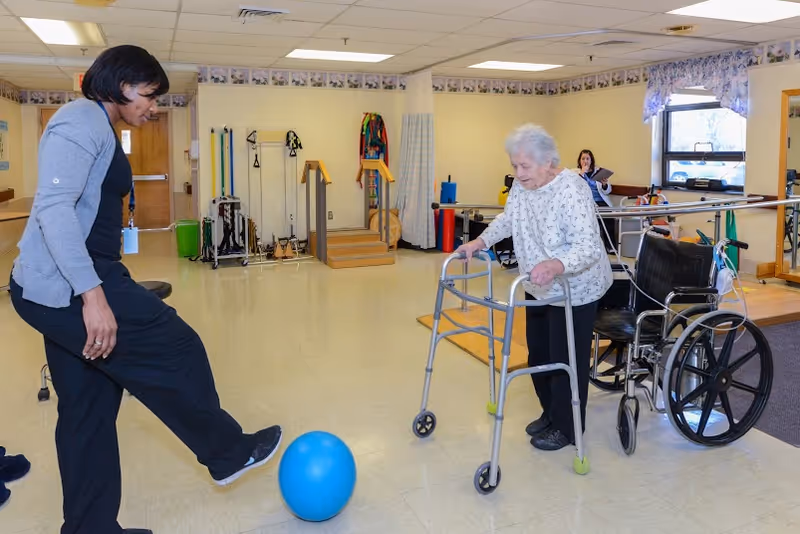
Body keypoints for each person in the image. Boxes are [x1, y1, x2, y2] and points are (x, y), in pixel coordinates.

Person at [8, 45, 282, 534]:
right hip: (71, 282)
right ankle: (227, 452)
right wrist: (93, 296)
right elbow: (52, 210)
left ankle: (90, 528)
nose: (154, 106)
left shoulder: (99, 124)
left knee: (87, 408)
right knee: (176, 344)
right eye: (150, 95)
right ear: (121, 84)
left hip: (73, 277)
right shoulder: (79, 121)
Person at [456, 125, 612, 451]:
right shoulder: (523, 187)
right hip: (538, 284)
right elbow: (508, 219)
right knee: (539, 354)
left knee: (565, 359)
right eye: (515, 166)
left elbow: (587, 247)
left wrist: (555, 265)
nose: (518, 173)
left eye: (524, 166)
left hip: (574, 289)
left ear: (549, 163)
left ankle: (569, 428)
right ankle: (551, 413)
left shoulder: (572, 190)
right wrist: (480, 241)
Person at [577, 149, 616, 252]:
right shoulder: (575, 173)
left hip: (600, 200)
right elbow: (574, 187)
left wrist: (604, 184)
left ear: (591, 160)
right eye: (583, 158)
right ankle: (595, 247)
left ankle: (610, 246)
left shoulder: (598, 171)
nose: (585, 161)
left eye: (588, 158)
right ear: (580, 161)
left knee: (609, 217)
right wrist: (582, 173)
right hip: (585, 202)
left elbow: (608, 191)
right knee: (593, 221)